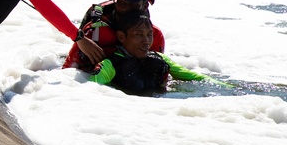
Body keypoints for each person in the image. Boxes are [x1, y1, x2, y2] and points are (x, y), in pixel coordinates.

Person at [89, 11, 227, 94]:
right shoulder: (110, 65)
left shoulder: (158, 58)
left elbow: (196, 78)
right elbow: (90, 92)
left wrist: (231, 89)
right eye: (138, 34)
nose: (146, 41)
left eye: (149, 35)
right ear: (121, 37)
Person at [62, 0, 166, 72]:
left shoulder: (154, 35)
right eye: (120, 0)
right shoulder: (96, 27)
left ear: (145, 6)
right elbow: (69, 70)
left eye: (130, 3)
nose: (122, 7)